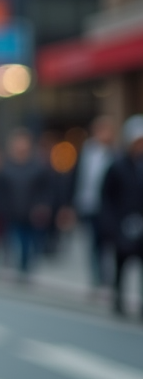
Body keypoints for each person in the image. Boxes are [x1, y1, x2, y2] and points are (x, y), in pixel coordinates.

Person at [101, 114, 143, 317]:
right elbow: (106, 197)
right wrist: (111, 225)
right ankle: (118, 301)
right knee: (121, 266)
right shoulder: (117, 166)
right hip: (122, 223)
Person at [0, 128, 54, 276]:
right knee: (12, 242)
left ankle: (25, 269)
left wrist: (43, 206)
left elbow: (46, 190)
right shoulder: (6, 166)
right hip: (11, 213)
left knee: (27, 244)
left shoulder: (38, 167)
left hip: (31, 214)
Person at [75, 116, 116, 286]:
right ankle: (97, 276)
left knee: (108, 243)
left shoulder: (115, 153)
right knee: (93, 242)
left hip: (110, 207)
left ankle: (108, 275)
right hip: (89, 204)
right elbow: (78, 178)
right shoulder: (86, 153)